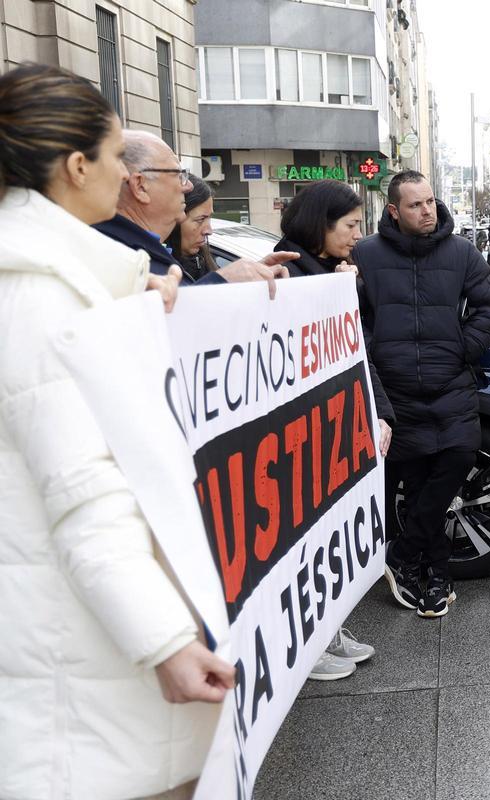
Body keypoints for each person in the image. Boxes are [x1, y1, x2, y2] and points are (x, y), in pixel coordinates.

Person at [0, 62, 234, 798]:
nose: (123, 174)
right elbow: (86, 494)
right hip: (85, 675)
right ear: (77, 168)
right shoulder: (37, 295)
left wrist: (139, 306)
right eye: (111, 156)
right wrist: (165, 642)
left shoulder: (54, 278)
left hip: (85, 652)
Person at [354, 171, 490, 618]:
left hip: (451, 386)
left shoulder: (461, 252)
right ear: (394, 211)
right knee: (420, 488)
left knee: (457, 461)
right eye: (415, 205)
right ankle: (437, 579)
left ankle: (401, 556)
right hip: (397, 393)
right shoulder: (366, 255)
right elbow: (351, 318)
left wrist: (462, 347)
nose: (428, 211)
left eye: (430, 201)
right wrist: (377, 357)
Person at [277, 178, 395, 679]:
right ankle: (308, 645)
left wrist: (379, 412)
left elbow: (355, 351)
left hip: (333, 427)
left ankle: (327, 629)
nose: (357, 235)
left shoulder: (330, 271)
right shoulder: (288, 273)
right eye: (349, 225)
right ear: (320, 226)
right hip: (301, 435)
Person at [94, 129, 296, 292]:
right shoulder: (113, 260)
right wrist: (222, 282)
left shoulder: (142, 252)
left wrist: (248, 277)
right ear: (140, 185)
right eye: (178, 174)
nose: (188, 185)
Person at [164, 175, 217, 283]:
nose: (209, 231)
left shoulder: (205, 262)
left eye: (209, 218)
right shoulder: (157, 272)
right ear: (176, 218)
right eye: (200, 219)